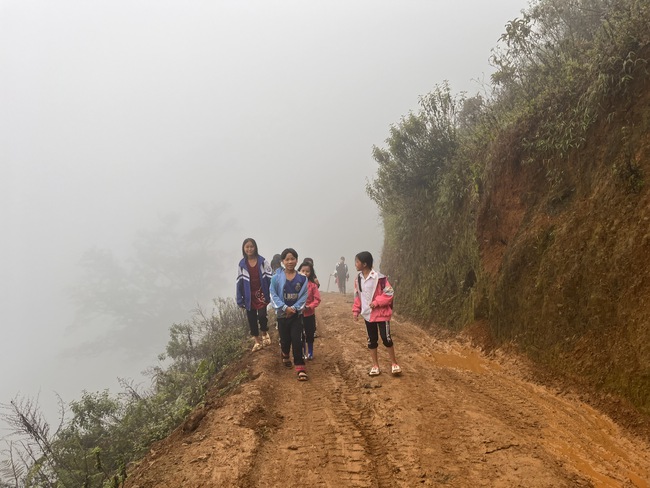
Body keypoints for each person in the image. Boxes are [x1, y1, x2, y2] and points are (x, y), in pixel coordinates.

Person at [352, 251, 401, 376]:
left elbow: (389, 293)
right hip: (368, 315)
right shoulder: (358, 279)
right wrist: (356, 310)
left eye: (357, 261)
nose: (355, 264)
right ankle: (375, 365)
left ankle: (394, 363)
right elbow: (358, 296)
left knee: (386, 338)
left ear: (365, 263)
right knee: (371, 340)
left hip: (382, 314)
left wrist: (377, 302)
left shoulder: (379, 278)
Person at [270, 248, 309, 381]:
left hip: (296, 315)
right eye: (287, 259)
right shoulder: (276, 278)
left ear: (297, 260)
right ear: (282, 261)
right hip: (282, 316)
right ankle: (285, 354)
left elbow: (304, 295)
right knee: (285, 340)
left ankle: (300, 367)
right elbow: (273, 295)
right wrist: (285, 308)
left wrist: (294, 308)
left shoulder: (302, 278)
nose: (290, 261)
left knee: (297, 340)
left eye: (292, 259)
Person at [236, 238, 273, 352]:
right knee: (251, 318)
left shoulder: (263, 261)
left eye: (251, 246)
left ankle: (264, 333)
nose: (249, 249)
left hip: (261, 293)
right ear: (243, 248)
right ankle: (257, 342)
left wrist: (273, 292)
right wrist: (239, 298)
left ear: (255, 247)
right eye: (247, 247)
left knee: (262, 315)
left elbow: (270, 277)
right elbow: (239, 282)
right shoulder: (242, 264)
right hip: (248, 295)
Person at [298, 261, 321, 360]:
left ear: (311, 273)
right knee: (300, 334)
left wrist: (309, 306)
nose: (305, 273)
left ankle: (310, 352)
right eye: (303, 271)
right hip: (298, 314)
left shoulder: (313, 285)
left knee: (309, 333)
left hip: (309, 314)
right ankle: (303, 353)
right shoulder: (295, 284)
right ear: (299, 271)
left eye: (307, 271)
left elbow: (317, 299)